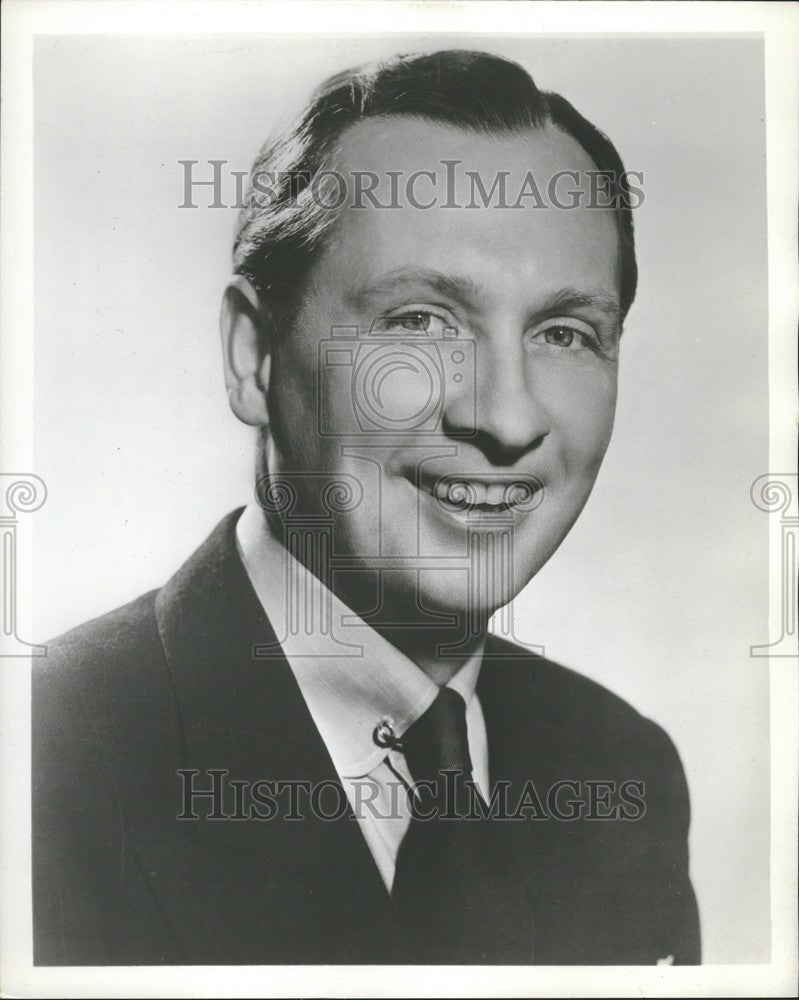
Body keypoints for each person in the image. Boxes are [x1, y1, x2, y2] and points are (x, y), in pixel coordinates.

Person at [32, 49, 701, 965]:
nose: (504, 419)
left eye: (562, 332)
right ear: (254, 358)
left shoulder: (618, 766)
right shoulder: (46, 761)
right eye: (419, 322)